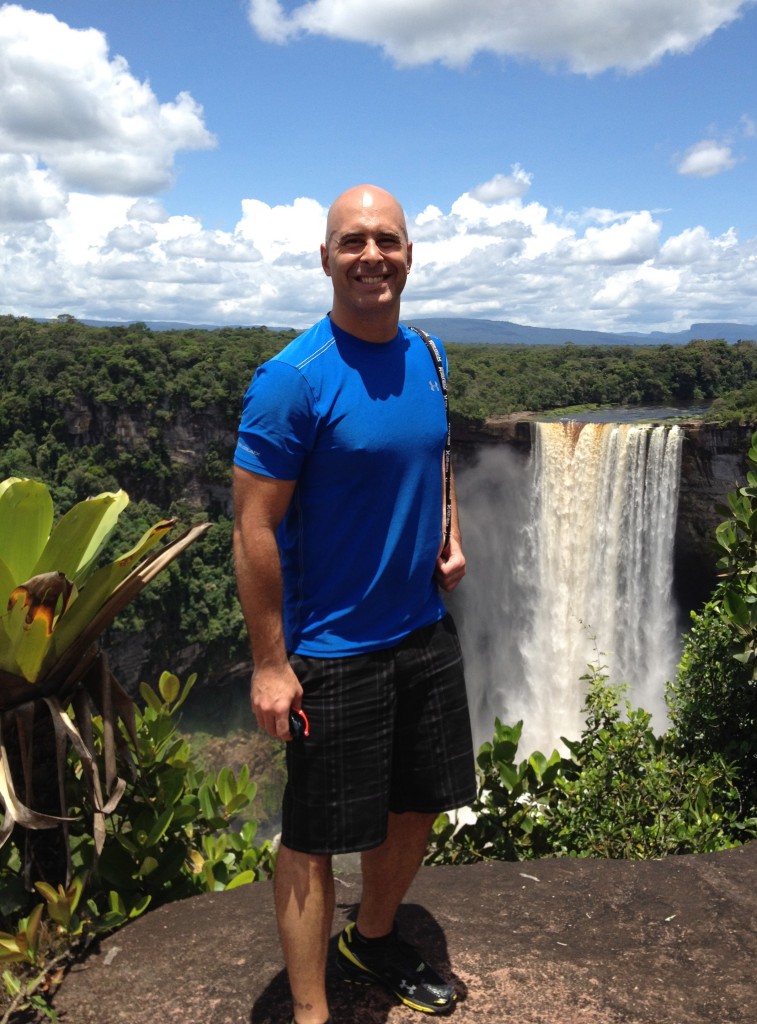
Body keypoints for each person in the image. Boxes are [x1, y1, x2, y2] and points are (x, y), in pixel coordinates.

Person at [233, 184, 476, 1024]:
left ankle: (371, 938)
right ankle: (311, 1012)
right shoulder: (292, 379)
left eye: (388, 240)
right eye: (353, 242)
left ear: (410, 252)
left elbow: (436, 454)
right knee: (312, 835)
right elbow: (253, 527)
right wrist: (270, 663)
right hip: (332, 647)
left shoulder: (431, 356)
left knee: (418, 803)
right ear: (326, 257)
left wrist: (448, 529)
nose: (372, 256)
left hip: (422, 628)